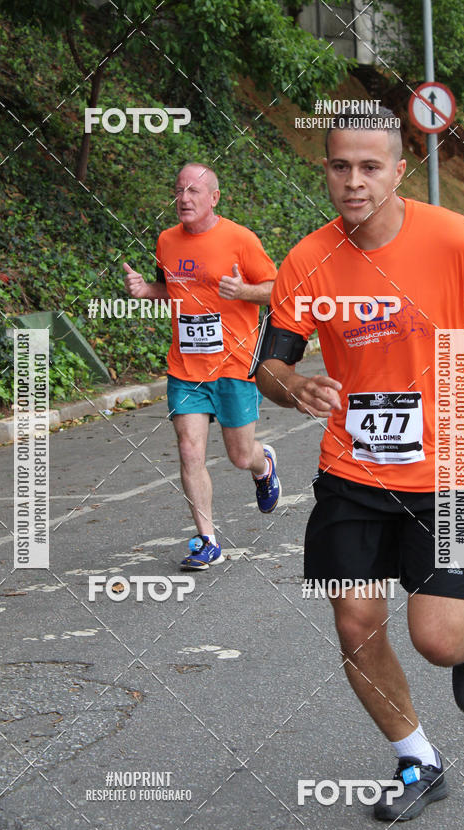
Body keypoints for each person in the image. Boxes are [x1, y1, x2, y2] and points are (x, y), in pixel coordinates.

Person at [254, 111, 464, 821]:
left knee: (437, 639)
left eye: (370, 167)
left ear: (399, 170)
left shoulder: (456, 238)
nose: (354, 181)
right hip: (354, 470)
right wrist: (293, 387)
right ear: (324, 169)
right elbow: (271, 363)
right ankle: (418, 759)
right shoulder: (306, 261)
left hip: (447, 474)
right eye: (339, 166)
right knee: (356, 620)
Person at [124, 163, 280, 570]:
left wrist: (243, 290)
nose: (184, 199)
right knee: (189, 448)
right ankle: (207, 539)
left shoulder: (240, 239)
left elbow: (277, 289)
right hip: (186, 367)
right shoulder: (166, 241)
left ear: (214, 197)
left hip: (233, 363)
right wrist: (146, 290)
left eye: (194, 191)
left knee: (239, 456)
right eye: (179, 191)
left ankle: (263, 464)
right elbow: (170, 289)